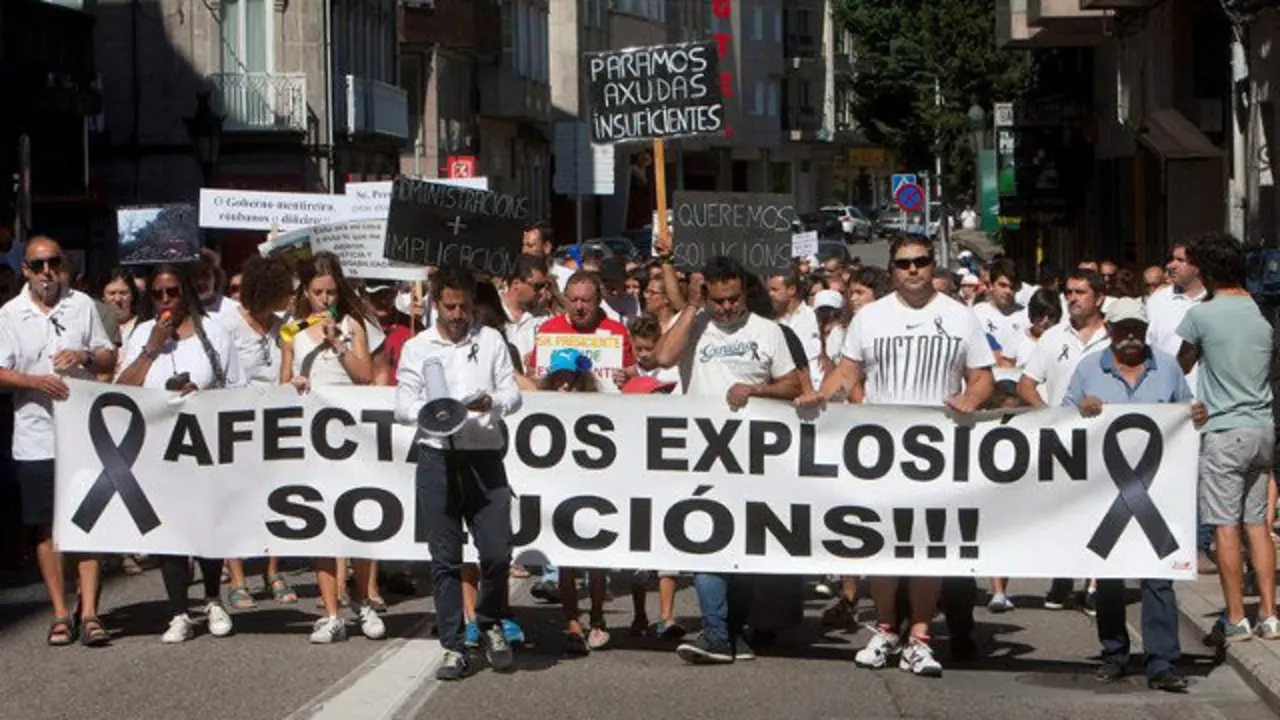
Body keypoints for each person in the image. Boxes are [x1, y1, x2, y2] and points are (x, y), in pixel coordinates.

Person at [798, 234, 995, 677]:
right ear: (892, 270)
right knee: (882, 545)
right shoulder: (870, 318)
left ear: (932, 265)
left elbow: (982, 377)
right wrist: (819, 400)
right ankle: (886, 628)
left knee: (926, 547)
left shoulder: (960, 317)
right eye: (904, 263)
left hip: (937, 451)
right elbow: (847, 374)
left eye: (921, 261)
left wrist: (971, 400)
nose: (913, 270)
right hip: (881, 450)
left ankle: (921, 636)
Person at [649, 251, 803, 665]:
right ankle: (717, 634)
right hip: (700, 456)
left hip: (753, 459)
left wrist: (756, 391)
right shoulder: (694, 325)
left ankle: (731, 630)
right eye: (718, 300)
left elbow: (793, 385)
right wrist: (692, 307)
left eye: (734, 298)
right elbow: (662, 358)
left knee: (744, 549)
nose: (728, 307)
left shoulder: (769, 331)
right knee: (705, 539)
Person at [395, 264, 521, 681]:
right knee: (445, 560)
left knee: (498, 552)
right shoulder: (418, 346)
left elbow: (513, 393)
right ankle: (453, 645)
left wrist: (492, 402)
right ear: (435, 304)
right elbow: (402, 405)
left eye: (464, 306)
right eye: (449, 306)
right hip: (438, 458)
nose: (457, 314)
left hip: (484, 455)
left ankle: (487, 623)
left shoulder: (491, 340)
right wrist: (432, 412)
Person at [1062, 297, 1194, 692]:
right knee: (1110, 577)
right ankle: (1115, 653)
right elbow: (1062, 419)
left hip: (1158, 491)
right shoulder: (1088, 368)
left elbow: (1185, 414)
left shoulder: (1167, 367)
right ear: (1109, 331)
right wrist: (1080, 410)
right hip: (1106, 492)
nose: (1131, 337)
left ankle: (1163, 662)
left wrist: (1195, 415)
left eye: (1138, 329)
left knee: (1158, 577)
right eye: (1123, 330)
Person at [117, 263, 244, 643]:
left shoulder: (214, 334)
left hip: (205, 446)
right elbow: (122, 389)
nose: (166, 300)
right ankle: (177, 610)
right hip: (159, 449)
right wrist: (152, 349)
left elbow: (238, 389)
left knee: (206, 525)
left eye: (172, 292)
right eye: (157, 293)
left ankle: (212, 598)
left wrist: (199, 395)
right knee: (170, 531)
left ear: (186, 293)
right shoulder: (143, 333)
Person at [0, 236, 116, 646]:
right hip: (35, 435)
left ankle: (90, 613)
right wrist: (34, 381)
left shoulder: (82, 305)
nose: (47, 272)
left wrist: (82, 357)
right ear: (26, 271)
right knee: (46, 528)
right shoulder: (10, 314)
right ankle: (61, 612)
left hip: (82, 433)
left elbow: (108, 358)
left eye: (54, 263)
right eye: (39, 265)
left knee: (86, 520)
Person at [1176, 232, 1278, 642]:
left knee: (1225, 527)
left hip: (1224, 429)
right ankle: (1270, 615)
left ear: (1207, 272)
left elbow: (1181, 363)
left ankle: (1236, 615)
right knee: (1258, 525)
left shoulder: (1202, 315)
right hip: (1263, 427)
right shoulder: (1259, 310)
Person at [280, 253, 384, 644]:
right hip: (314, 435)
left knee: (358, 518)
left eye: (331, 293)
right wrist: (293, 382)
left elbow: (364, 375)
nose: (325, 300)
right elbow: (283, 380)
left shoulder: (352, 325)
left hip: (350, 432)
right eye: (318, 292)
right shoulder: (291, 330)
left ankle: (365, 601)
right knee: (322, 523)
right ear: (305, 293)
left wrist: (337, 343)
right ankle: (330, 611)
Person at [1016, 270, 1110, 612]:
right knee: (1061, 513)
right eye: (1068, 292)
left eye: (1080, 292)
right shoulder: (1053, 338)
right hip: (1060, 441)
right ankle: (1061, 578)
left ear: (1098, 298)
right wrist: (1046, 412)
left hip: (1101, 441)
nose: (1072, 298)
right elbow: (1026, 384)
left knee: (1097, 512)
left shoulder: (1114, 338)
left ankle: (1095, 583)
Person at [219, 255, 299, 608]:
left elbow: (286, 368)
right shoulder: (226, 323)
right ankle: (237, 576)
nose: (292, 297)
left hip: (274, 423)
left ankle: (272, 568)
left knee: (274, 497)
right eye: (286, 291)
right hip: (235, 422)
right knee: (235, 500)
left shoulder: (284, 324)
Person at [1147, 242, 1213, 572]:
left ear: (1197, 267)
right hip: (1167, 405)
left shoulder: (1214, 301)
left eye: (1179, 260)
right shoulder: (1158, 301)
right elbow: (1149, 351)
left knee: (1203, 478)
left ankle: (1199, 546)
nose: (1171, 265)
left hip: (1208, 404)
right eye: (1170, 258)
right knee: (1172, 476)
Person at [530, 272, 636, 388]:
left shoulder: (616, 331)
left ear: (598, 300)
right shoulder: (549, 329)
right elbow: (532, 374)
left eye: (585, 300)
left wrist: (625, 378)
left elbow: (632, 373)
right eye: (573, 300)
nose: (579, 307)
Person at [769, 270, 823, 387]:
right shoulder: (770, 322)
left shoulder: (811, 317)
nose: (770, 294)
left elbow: (816, 357)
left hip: (813, 387)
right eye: (769, 290)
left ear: (791, 290)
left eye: (775, 290)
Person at [971, 259, 1028, 368]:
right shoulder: (977, 313)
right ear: (991, 285)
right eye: (1003, 285)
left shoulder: (1027, 315)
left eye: (1012, 287)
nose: (1008, 291)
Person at [502, 255, 550, 366]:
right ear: (516, 284)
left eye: (545, 286)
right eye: (538, 286)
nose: (543, 292)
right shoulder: (492, 313)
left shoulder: (545, 319)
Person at [99, 267, 142, 378]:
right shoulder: (94, 327)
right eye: (112, 293)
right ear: (103, 297)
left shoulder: (142, 327)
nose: (118, 299)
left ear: (132, 295)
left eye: (123, 293)